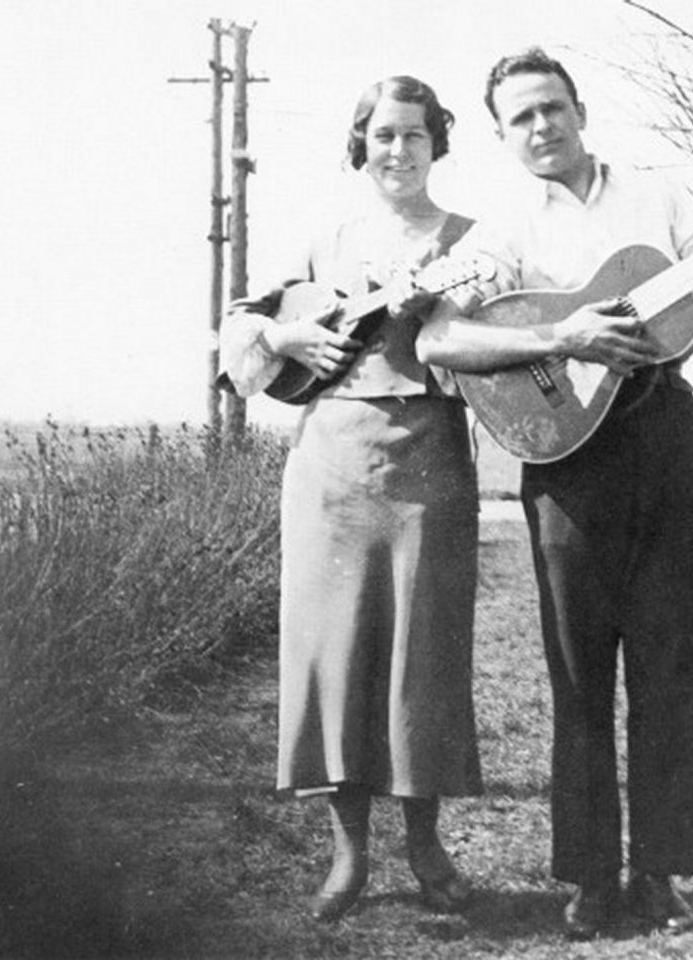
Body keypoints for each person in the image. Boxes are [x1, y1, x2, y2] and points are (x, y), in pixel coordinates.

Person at [417, 48, 693, 940]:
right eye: (520, 117)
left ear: (580, 110)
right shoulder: (502, 228)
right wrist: (564, 332)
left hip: (665, 436)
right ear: (503, 135)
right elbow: (440, 341)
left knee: (666, 667)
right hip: (564, 457)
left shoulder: (660, 199)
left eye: (551, 107)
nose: (540, 127)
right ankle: (591, 878)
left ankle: (658, 872)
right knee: (577, 670)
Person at [220, 75, 482, 923]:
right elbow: (242, 325)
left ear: (438, 142)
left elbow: (499, 338)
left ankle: (425, 847)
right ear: (359, 146)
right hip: (329, 462)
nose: (398, 150)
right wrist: (290, 334)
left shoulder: (474, 240)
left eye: (414, 134)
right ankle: (347, 855)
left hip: (431, 456)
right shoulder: (321, 232)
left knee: (422, 657)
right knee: (335, 655)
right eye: (381, 136)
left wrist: (443, 307)